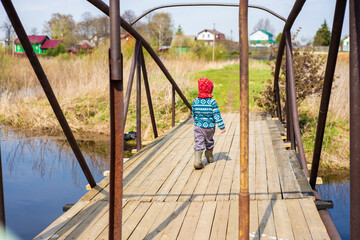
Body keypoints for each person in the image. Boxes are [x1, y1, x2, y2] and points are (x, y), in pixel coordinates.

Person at [192, 78, 226, 169]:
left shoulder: (195, 101)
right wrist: (222, 127)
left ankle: (197, 161)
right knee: (209, 141)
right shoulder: (212, 102)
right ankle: (210, 157)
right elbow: (217, 115)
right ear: (210, 90)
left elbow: (193, 113)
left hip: (198, 126)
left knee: (199, 142)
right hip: (210, 128)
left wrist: (196, 120)